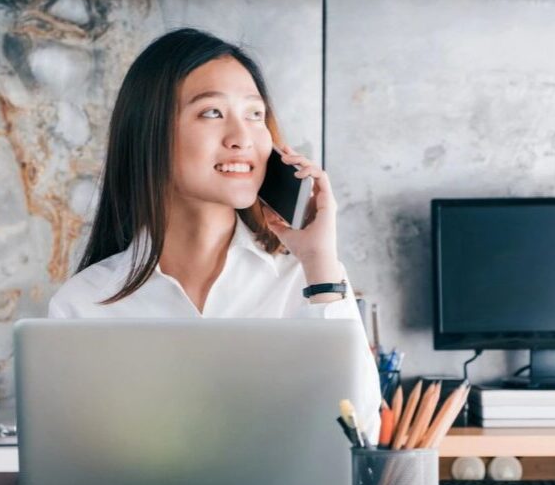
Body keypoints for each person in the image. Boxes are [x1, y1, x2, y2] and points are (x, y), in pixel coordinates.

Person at [48, 28, 380, 438]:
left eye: (255, 115)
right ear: (150, 133)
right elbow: (77, 462)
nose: (242, 138)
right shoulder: (84, 304)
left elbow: (363, 435)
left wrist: (320, 266)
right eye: (212, 113)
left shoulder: (308, 281)